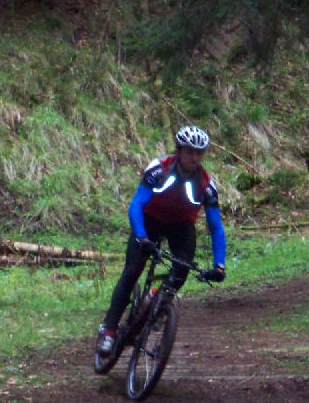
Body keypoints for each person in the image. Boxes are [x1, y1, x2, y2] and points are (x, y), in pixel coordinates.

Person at [96, 125, 227, 356]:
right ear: (179, 150)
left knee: (181, 271)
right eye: (189, 151)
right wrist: (141, 236)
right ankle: (109, 329)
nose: (194, 157)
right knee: (133, 270)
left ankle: (155, 302)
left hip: (181, 226)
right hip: (150, 220)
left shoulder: (206, 184)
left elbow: (216, 227)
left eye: (200, 153)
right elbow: (136, 204)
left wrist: (219, 265)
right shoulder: (159, 169)